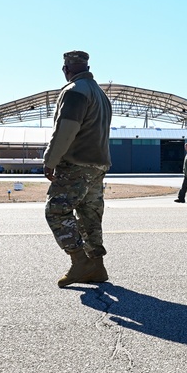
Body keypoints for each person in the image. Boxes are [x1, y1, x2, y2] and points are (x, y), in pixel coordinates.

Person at [43, 50, 113, 288]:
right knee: (89, 215)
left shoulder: (74, 92)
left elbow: (66, 129)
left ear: (66, 69)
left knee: (56, 210)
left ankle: (80, 262)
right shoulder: (101, 95)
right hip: (98, 165)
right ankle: (97, 266)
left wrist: (50, 160)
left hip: (76, 164)